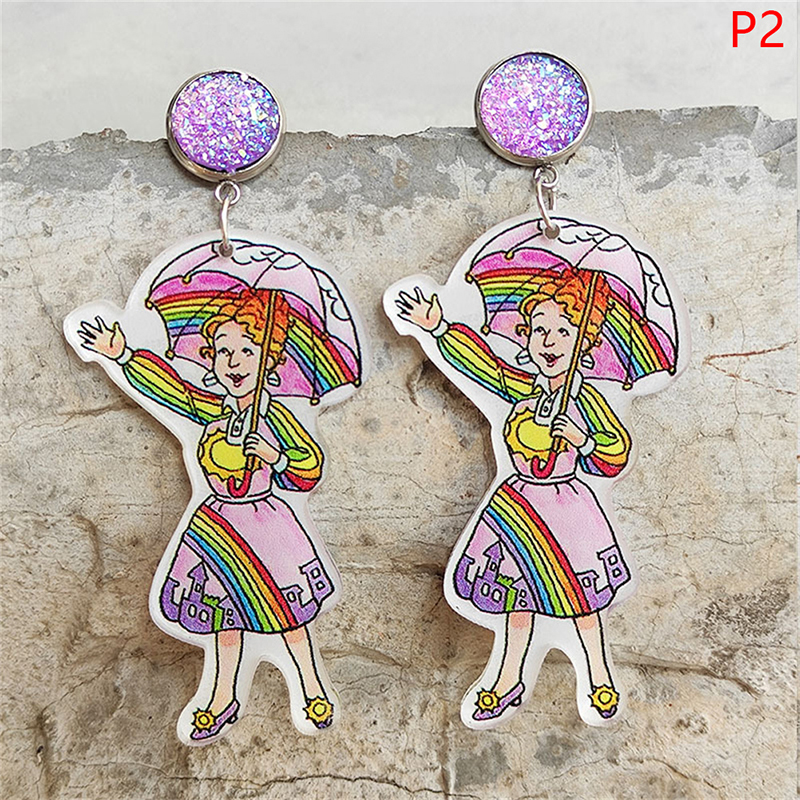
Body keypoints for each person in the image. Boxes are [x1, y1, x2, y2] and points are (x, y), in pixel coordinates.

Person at [78, 288, 336, 739]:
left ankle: (312, 688)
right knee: (223, 620)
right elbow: (170, 389)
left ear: (270, 360)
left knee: (290, 619)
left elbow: (310, 466)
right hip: (217, 526)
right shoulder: (210, 408)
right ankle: (221, 696)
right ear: (210, 358)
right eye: (223, 351)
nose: (234, 362)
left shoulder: (278, 417)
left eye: (248, 351)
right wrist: (123, 356)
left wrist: (275, 456)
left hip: (266, 526)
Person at [397, 270, 631, 721]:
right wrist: (438, 327)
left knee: (581, 602)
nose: (549, 341)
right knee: (516, 600)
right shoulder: (522, 388)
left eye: (563, 331)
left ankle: (599, 675)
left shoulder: (589, 401)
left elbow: (616, 451)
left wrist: (582, 440)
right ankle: (507, 679)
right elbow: (483, 366)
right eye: (539, 329)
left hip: (566, 509)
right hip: (517, 504)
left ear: (584, 342)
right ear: (525, 335)